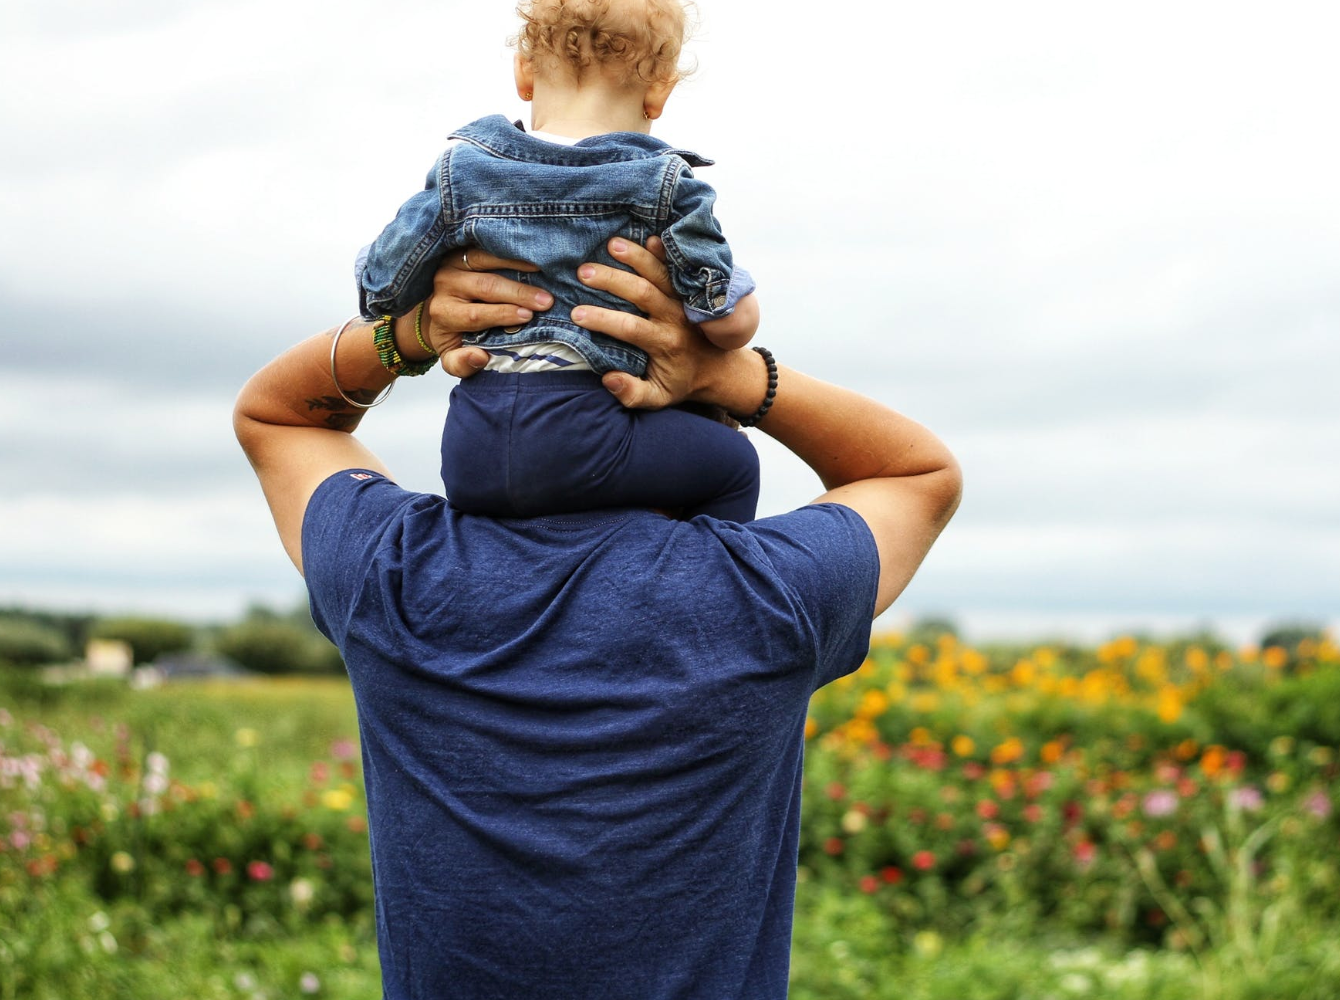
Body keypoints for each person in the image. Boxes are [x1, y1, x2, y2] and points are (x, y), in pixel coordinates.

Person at [233, 238, 961, 999]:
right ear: (699, 434)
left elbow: (278, 419)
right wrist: (732, 374)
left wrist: (410, 333)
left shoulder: (397, 574)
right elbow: (916, 473)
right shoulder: (766, 594)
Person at [355, 0, 762, 521]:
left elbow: (382, 286)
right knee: (733, 463)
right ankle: (706, 587)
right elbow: (722, 322)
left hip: (472, 445)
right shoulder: (664, 183)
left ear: (524, 73)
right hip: (591, 432)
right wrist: (737, 304)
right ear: (658, 94)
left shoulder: (463, 170)